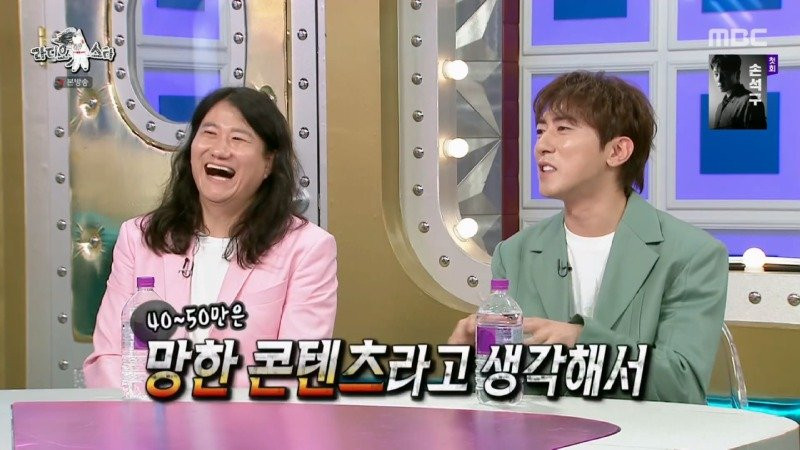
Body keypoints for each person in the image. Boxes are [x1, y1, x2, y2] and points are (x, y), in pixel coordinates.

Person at [448, 71, 729, 404]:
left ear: (617, 151)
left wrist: (580, 339)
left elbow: (682, 385)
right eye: (541, 130)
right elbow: (506, 384)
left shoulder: (692, 254)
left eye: (563, 129)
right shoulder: (514, 253)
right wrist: (467, 360)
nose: (542, 145)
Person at [84, 87, 338, 387]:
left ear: (269, 162)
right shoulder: (139, 237)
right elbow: (108, 358)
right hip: (147, 415)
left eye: (238, 139)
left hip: (250, 417)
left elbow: (295, 371)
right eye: (209, 133)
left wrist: (194, 400)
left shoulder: (307, 249)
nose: (219, 150)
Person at [710, 54, 766, 129]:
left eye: (725, 73)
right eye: (716, 74)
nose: (719, 80)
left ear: (737, 74)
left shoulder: (751, 102)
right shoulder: (720, 107)